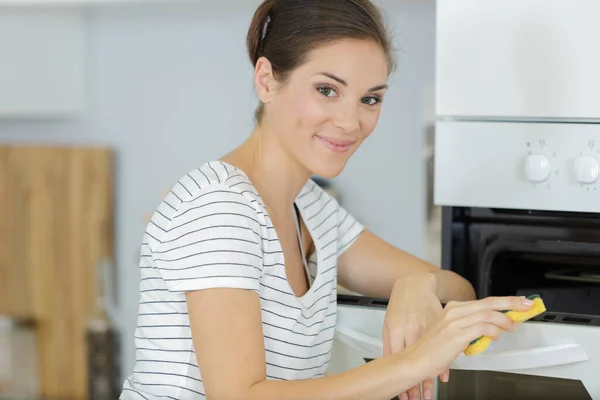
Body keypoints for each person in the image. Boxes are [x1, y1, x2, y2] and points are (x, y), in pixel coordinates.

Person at [120, 0, 535, 399]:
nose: (350, 122)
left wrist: (417, 284)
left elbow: (458, 290)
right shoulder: (217, 205)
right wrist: (412, 364)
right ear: (266, 80)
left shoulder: (313, 209)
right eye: (327, 90)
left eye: (370, 99)